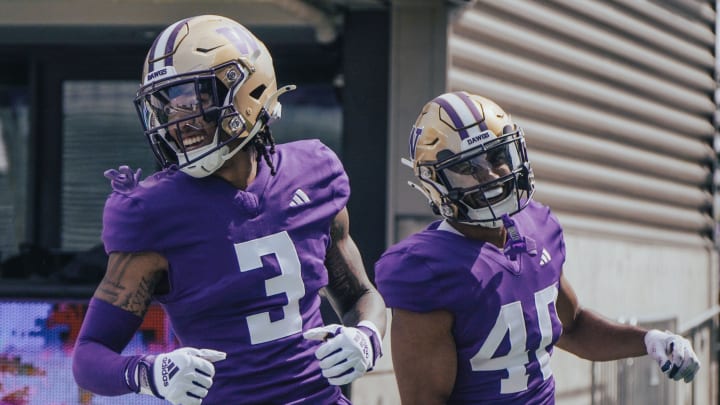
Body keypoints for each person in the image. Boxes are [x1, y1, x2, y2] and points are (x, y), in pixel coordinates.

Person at [71, 15, 386, 405]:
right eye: (166, 103)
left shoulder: (313, 173)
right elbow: (88, 355)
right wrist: (148, 373)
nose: (177, 119)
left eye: (194, 96)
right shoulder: (151, 212)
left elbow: (359, 295)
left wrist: (367, 334)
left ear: (250, 89)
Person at [374, 91, 700, 404]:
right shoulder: (427, 268)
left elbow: (573, 327)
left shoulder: (537, 227)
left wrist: (649, 340)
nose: (490, 174)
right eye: (468, 167)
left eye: (497, 156)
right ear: (435, 182)